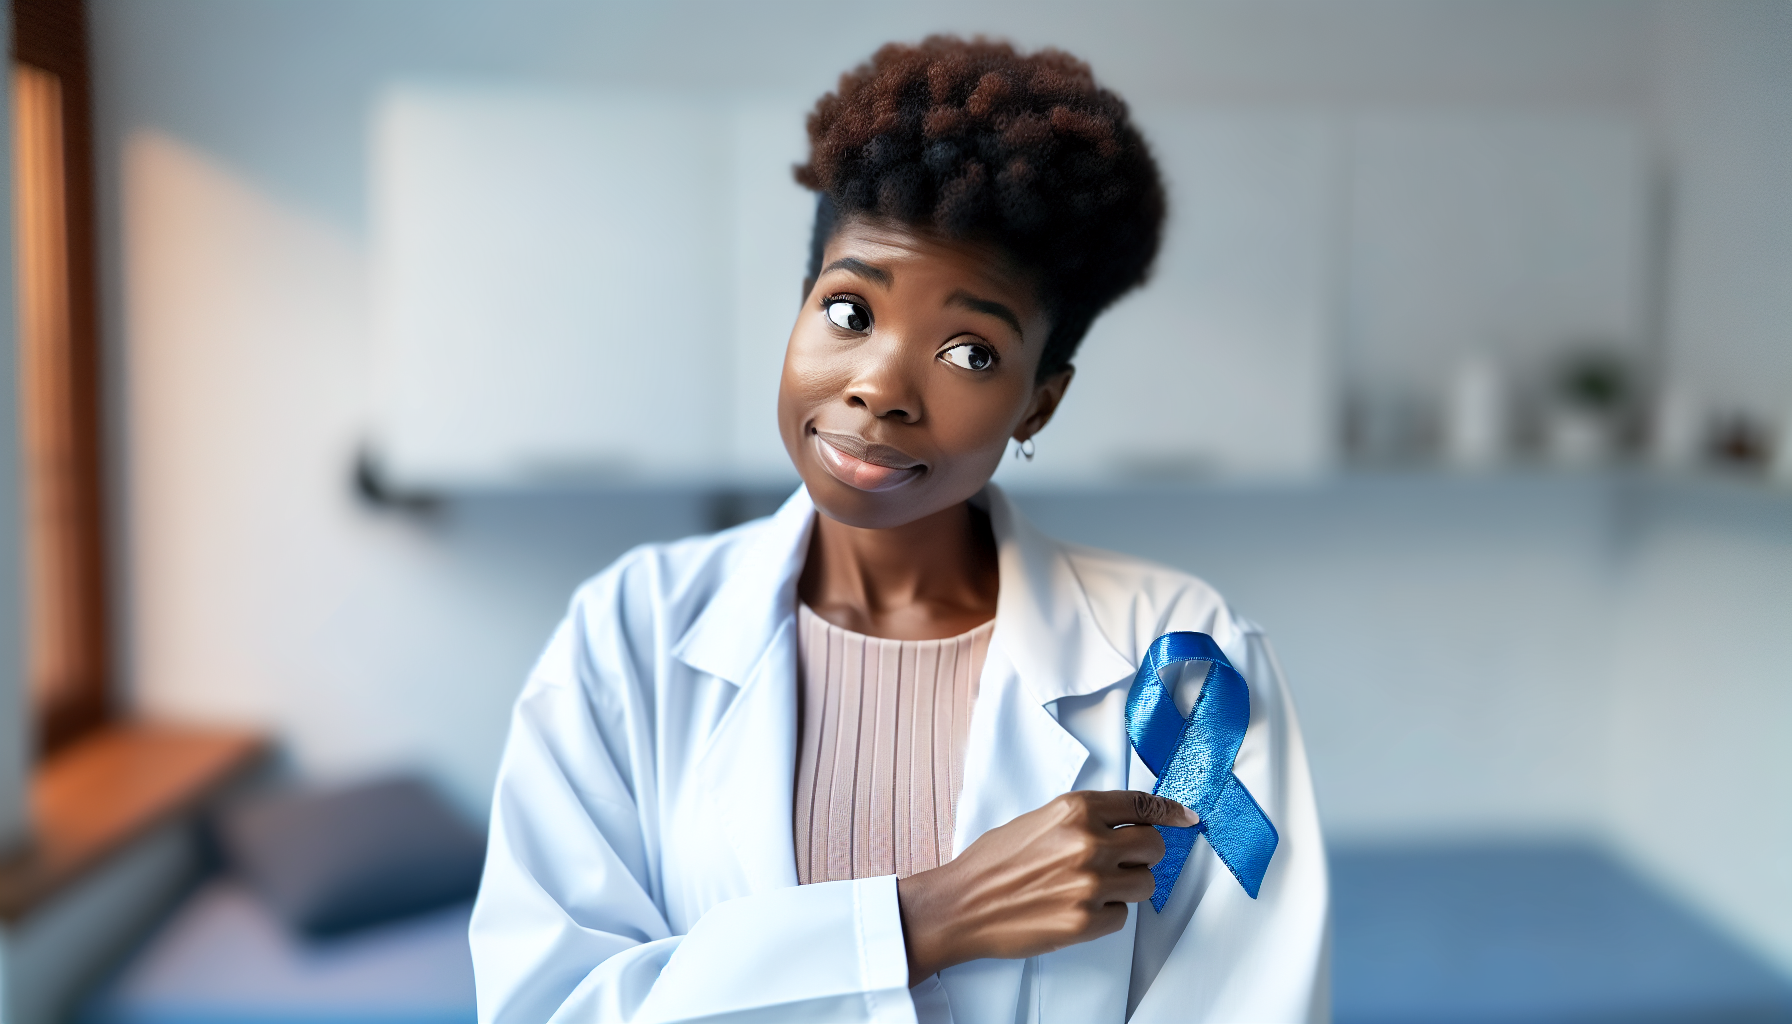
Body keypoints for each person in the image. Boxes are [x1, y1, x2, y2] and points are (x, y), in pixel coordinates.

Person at [470, 36, 1327, 1024]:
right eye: (847, 309)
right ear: (798, 311)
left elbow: (1249, 1000)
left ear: (1037, 404)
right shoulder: (628, 633)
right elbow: (553, 1007)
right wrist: (926, 917)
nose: (878, 384)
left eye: (969, 351)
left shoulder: (1181, 673)